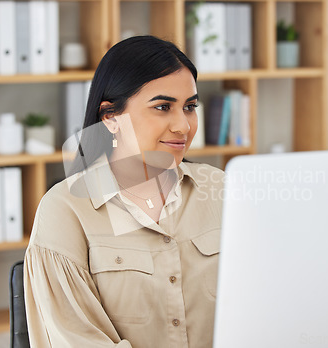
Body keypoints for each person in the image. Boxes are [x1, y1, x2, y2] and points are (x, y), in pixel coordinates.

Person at [23, 35, 225, 347]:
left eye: (189, 107)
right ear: (111, 118)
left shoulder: (221, 190)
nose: (183, 126)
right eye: (162, 107)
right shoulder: (65, 211)